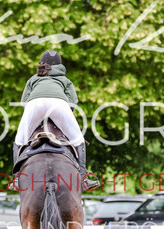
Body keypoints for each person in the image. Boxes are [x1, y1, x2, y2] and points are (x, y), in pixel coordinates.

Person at [12, 50, 100, 190]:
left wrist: (38, 117)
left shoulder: (33, 78)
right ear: (59, 64)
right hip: (59, 104)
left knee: (20, 140)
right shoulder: (65, 79)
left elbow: (24, 102)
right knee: (78, 139)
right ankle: (83, 178)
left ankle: (17, 178)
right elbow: (72, 102)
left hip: (34, 104)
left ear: (41, 63)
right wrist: (59, 118)